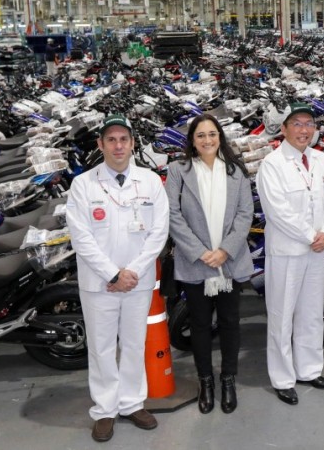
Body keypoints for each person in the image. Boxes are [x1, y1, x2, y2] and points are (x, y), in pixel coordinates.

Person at [65, 115, 169, 442]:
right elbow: (81, 238)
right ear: (100, 145)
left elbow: (159, 232)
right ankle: (105, 409)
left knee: (135, 343)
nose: (118, 145)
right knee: (102, 348)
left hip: (137, 281)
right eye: (111, 140)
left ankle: (132, 402)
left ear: (133, 143)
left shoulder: (150, 181)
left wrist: (131, 272)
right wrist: (113, 273)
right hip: (100, 284)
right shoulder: (83, 185)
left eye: (123, 139)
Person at [165, 114, 253, 414]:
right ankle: (206, 380)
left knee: (230, 323)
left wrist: (225, 250)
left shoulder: (235, 171)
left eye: (212, 134)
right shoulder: (178, 170)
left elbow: (245, 214)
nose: (207, 140)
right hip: (197, 263)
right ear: (192, 140)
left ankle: (228, 378)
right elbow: (172, 214)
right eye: (200, 135)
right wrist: (201, 251)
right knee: (200, 325)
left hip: (228, 262)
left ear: (220, 137)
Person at [256, 103, 324, 406]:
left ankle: (309, 369)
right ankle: (282, 378)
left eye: (309, 124)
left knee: (310, 314)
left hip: (316, 250)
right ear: (284, 128)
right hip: (288, 252)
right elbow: (277, 212)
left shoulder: (321, 160)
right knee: (282, 315)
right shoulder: (272, 164)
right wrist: (311, 237)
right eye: (297, 124)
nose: (304, 129)